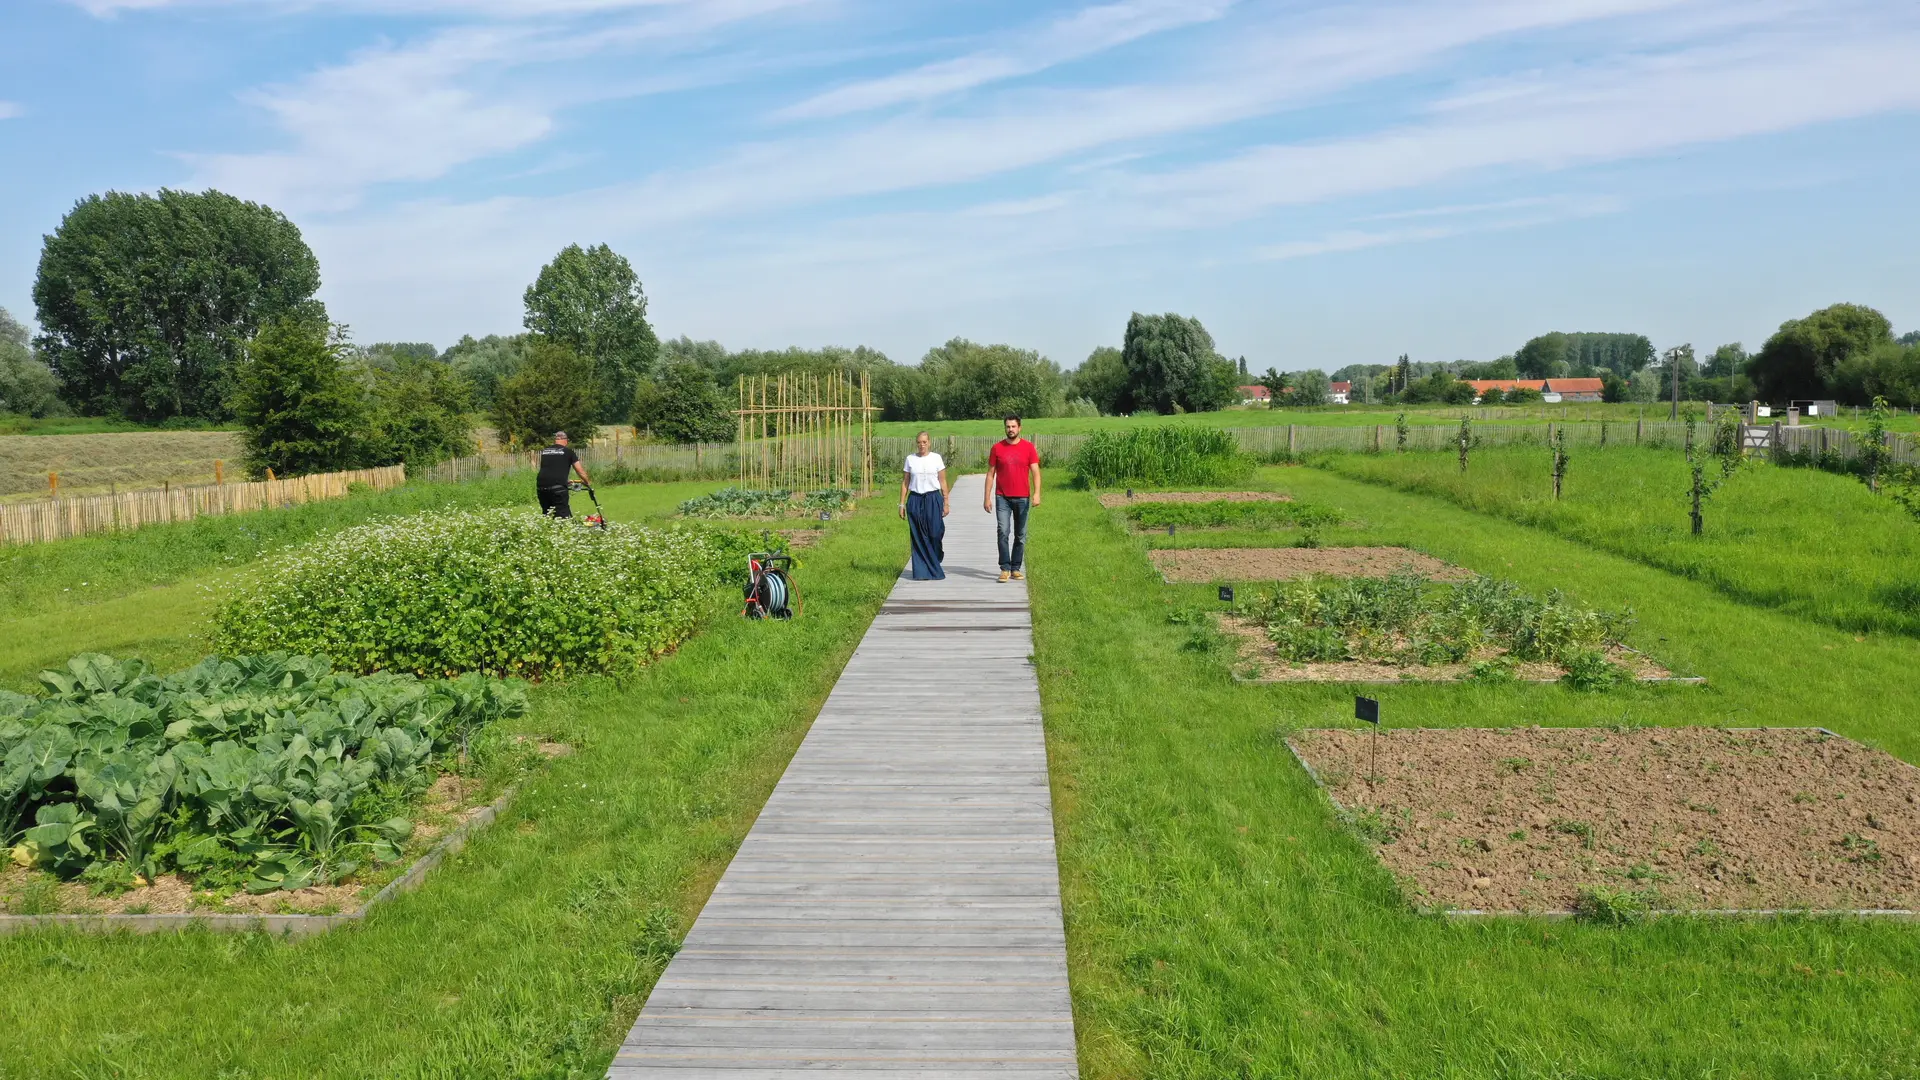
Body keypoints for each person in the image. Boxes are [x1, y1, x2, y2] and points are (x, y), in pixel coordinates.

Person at [982, 415, 1040, 583]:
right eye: (1008, 426)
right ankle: (1005, 568)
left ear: (1019, 428)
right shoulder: (997, 448)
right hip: (1003, 498)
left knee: (1020, 535)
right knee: (1003, 531)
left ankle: (1016, 568)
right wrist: (987, 497)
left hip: (1023, 497)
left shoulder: (1028, 448)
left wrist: (1037, 493)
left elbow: (1035, 472)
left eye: (1013, 426)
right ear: (1005, 428)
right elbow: (990, 474)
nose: (1010, 429)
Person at [899, 431, 950, 580]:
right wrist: (901, 504)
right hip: (915, 499)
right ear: (917, 443)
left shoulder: (936, 458)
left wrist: (946, 502)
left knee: (935, 532)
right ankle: (922, 571)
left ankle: (936, 556)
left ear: (929, 442)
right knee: (918, 536)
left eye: (924, 442)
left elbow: (943, 481)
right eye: (919, 442)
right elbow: (905, 483)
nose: (922, 445)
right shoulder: (910, 459)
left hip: (933, 498)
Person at [536, 430, 592, 518]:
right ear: (565, 440)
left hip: (541, 487)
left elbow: (551, 469)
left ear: (555, 440)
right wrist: (587, 482)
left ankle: (547, 530)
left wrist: (564, 481)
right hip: (557, 489)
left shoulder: (545, 451)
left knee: (547, 515)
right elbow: (580, 471)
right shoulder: (568, 452)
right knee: (563, 516)